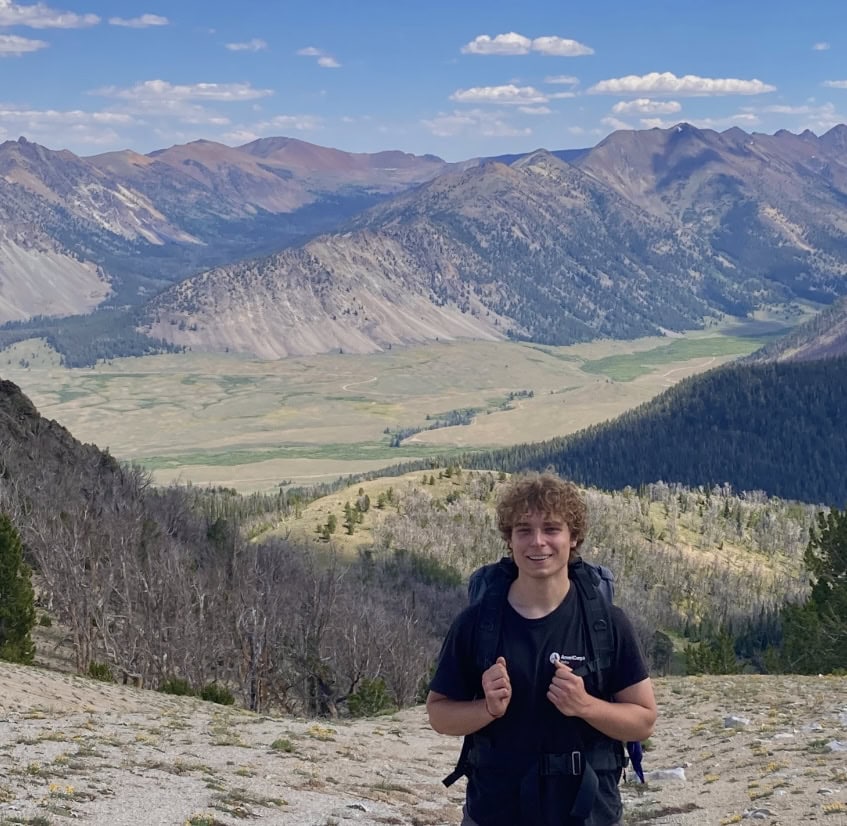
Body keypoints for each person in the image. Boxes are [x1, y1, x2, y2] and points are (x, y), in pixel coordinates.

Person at [426, 472, 657, 826]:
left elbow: (643, 721)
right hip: (497, 811)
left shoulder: (606, 624)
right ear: (510, 540)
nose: (537, 542)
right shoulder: (476, 624)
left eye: (551, 529)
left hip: (587, 812)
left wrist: (585, 706)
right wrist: (487, 709)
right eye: (523, 530)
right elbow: (439, 715)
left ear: (573, 537)